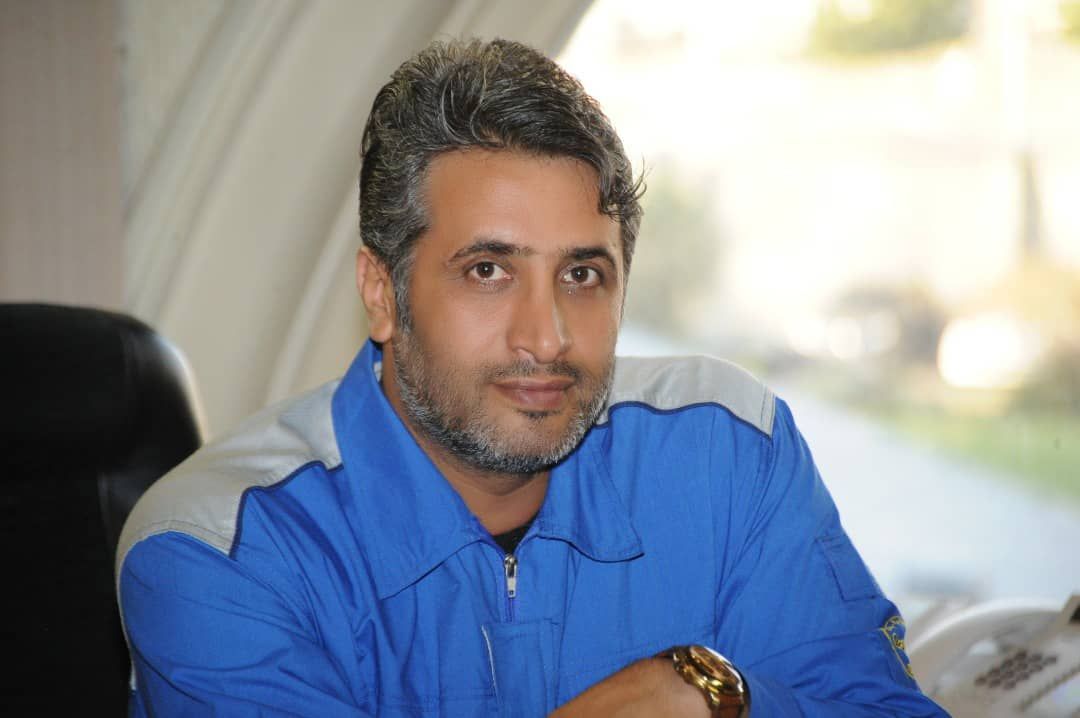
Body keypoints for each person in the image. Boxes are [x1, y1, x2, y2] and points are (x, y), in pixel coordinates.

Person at [117, 38, 947, 717]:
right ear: (382, 293)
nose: (546, 337)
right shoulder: (216, 552)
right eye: (488, 271)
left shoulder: (728, 454)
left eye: (583, 275)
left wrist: (713, 695)